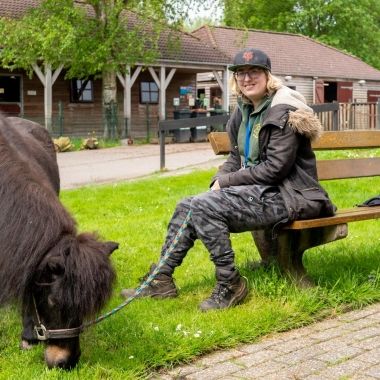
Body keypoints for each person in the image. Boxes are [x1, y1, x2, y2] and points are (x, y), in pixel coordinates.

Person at [121, 48, 335, 311]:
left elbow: (275, 169)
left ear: (268, 76)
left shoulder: (284, 111)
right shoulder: (243, 111)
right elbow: (235, 157)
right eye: (241, 74)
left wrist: (228, 182)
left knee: (202, 206)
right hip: (263, 192)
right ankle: (161, 280)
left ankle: (230, 283)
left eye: (254, 72)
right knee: (188, 204)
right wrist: (218, 179)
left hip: (293, 196)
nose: (247, 79)